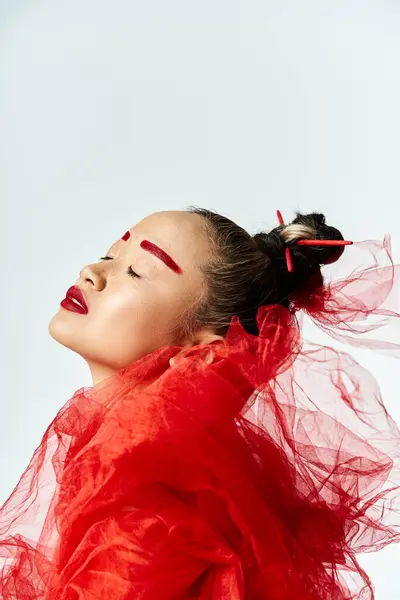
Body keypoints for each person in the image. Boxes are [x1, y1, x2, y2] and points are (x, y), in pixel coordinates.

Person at [0, 207, 399, 599]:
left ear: (205, 353)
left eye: (137, 271)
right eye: (110, 255)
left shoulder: (139, 489)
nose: (91, 271)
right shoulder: (145, 461)